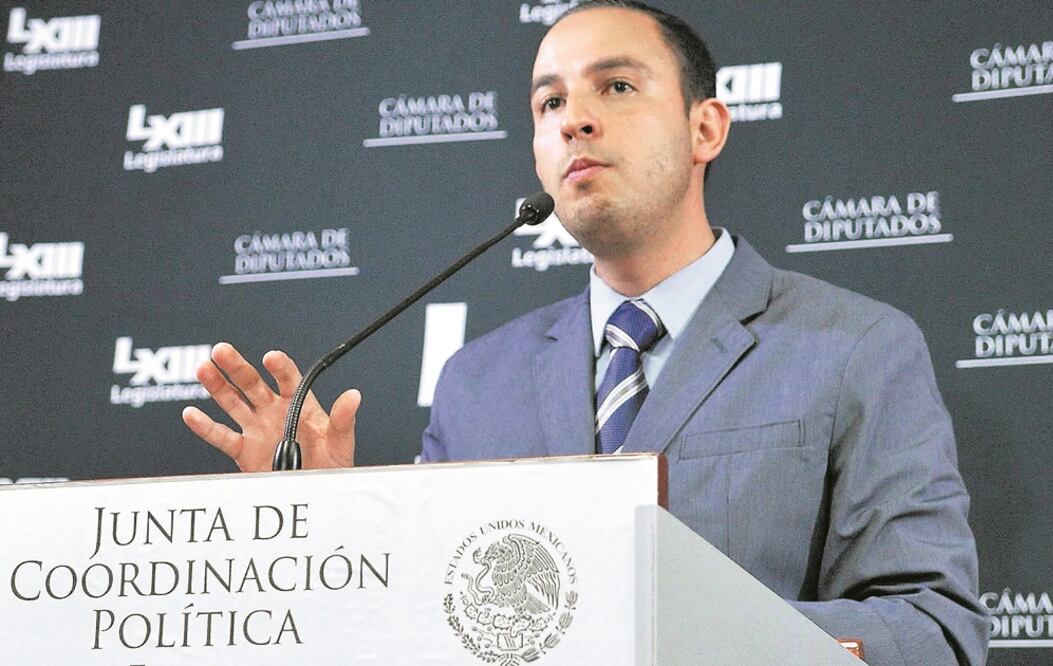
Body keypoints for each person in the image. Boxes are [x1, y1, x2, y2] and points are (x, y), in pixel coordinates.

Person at [183, 2, 990, 663]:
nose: (575, 121)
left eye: (615, 88)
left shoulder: (854, 346)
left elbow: (932, 630)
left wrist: (688, 641)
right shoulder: (476, 380)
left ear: (705, 128)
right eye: (550, 103)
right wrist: (331, 522)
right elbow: (422, 622)